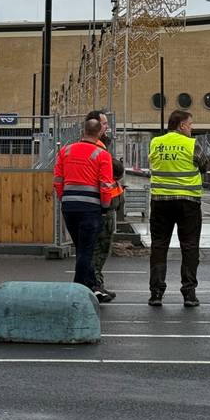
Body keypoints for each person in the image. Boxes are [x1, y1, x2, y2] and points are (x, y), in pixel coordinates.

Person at [53, 114, 119, 303]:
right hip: (90, 208)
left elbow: (58, 180)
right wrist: (105, 207)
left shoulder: (65, 151)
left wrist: (63, 198)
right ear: (99, 132)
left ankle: (94, 287)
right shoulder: (102, 155)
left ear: (83, 131)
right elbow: (105, 185)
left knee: (81, 247)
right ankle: (78, 289)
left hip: (69, 206)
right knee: (86, 251)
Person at [147, 109, 208, 307]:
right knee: (189, 246)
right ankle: (189, 293)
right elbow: (204, 165)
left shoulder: (156, 142)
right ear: (182, 125)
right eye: (190, 125)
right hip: (188, 202)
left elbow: (152, 163)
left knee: (159, 245)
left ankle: (156, 293)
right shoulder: (192, 144)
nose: (191, 129)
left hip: (160, 201)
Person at [90, 111, 124, 294]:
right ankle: (95, 283)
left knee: (95, 248)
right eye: (103, 124)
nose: (107, 127)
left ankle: (93, 282)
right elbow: (115, 169)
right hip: (103, 205)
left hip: (103, 204)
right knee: (100, 248)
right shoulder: (98, 147)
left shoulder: (101, 145)